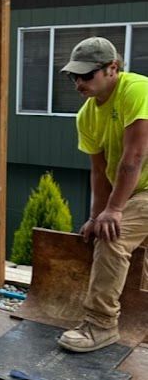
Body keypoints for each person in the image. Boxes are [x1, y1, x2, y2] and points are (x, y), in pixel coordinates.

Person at [57, 36, 148, 352]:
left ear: (112, 68)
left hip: (146, 189)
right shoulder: (86, 115)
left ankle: (101, 325)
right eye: (74, 76)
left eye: (86, 75)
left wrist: (114, 211)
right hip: (133, 190)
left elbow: (134, 156)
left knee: (114, 236)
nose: (78, 83)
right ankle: (140, 320)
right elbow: (99, 171)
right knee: (138, 254)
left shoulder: (136, 89)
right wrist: (97, 214)